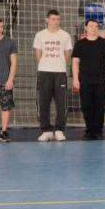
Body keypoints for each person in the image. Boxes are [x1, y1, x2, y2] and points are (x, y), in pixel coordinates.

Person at [32, 9, 72, 142]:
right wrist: (46, 64)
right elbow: (38, 53)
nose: (56, 22)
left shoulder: (65, 35)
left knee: (61, 103)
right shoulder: (40, 35)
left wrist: (58, 64)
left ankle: (59, 130)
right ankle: (46, 131)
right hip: (44, 72)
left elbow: (67, 54)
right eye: (53, 19)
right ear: (47, 20)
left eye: (58, 19)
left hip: (60, 73)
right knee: (43, 102)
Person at [72, 19, 105, 140]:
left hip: (101, 80)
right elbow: (75, 62)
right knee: (86, 106)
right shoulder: (80, 44)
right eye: (91, 26)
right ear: (86, 28)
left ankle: (98, 131)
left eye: (96, 26)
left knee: (100, 106)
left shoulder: (104, 43)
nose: (94, 28)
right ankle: (89, 131)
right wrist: (75, 79)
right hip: (85, 80)